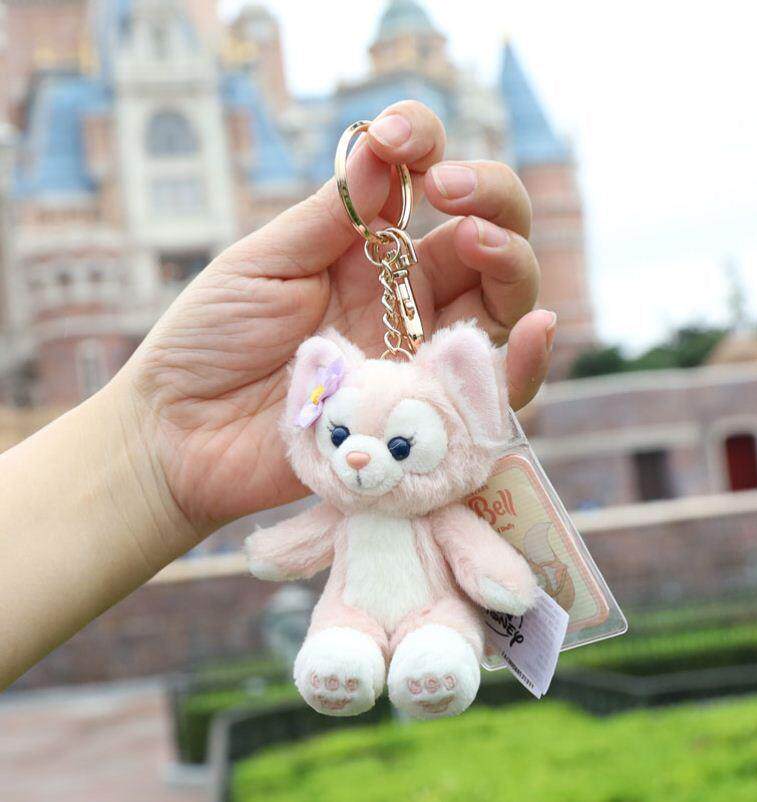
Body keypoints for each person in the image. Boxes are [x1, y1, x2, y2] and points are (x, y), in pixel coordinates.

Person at [0, 101, 556, 689]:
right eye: (339, 435)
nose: (358, 456)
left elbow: (490, 570)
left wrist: (152, 454)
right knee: (341, 637)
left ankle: (433, 653)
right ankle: (344, 656)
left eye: (397, 445)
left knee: (439, 637)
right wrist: (153, 455)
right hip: (351, 611)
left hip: (435, 612)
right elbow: (289, 547)